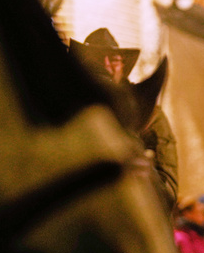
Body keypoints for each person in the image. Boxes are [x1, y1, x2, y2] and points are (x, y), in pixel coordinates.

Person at [70, 28, 179, 209]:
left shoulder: (150, 115)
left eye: (113, 60)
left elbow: (167, 193)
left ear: (123, 67)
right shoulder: (69, 106)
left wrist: (136, 164)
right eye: (97, 58)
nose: (106, 65)